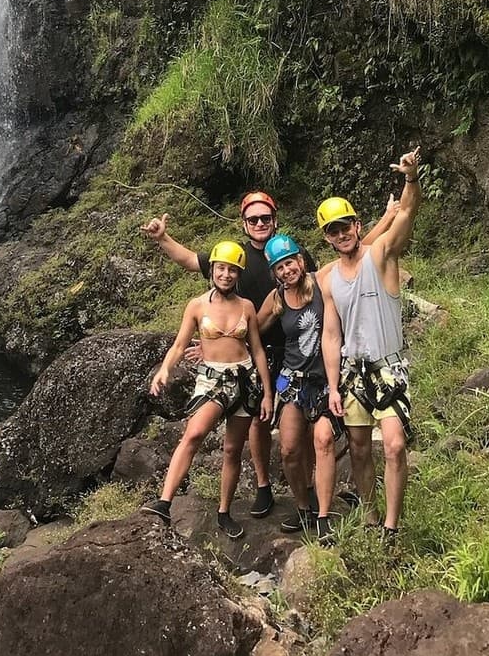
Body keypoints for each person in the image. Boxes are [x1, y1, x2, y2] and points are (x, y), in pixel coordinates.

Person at [142, 191, 317, 517]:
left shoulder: (292, 252)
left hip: (295, 349)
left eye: (266, 218)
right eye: (254, 219)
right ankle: (263, 486)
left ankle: (308, 488)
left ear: (275, 219)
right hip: (255, 350)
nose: (261, 223)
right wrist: (162, 238)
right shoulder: (235, 257)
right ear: (244, 223)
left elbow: (319, 285)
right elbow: (189, 259)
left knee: (302, 422)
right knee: (258, 423)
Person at [317, 148, 421, 541]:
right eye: (333, 230)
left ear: (358, 225)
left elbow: (407, 217)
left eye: (346, 225)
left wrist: (411, 179)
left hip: (388, 366)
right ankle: (370, 514)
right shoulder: (328, 278)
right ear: (327, 237)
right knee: (359, 449)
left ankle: (392, 527)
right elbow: (331, 334)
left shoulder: (380, 255)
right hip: (352, 371)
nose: (342, 233)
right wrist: (331, 387)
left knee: (393, 445)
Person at [142, 241, 273, 540]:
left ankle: (224, 512)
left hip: (243, 380)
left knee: (232, 450)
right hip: (213, 379)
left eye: (232, 270)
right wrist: (165, 369)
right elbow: (179, 344)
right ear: (212, 270)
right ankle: (164, 503)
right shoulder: (198, 305)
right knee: (194, 433)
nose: (226, 275)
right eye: (221, 269)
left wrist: (267, 392)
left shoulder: (247, 307)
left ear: (239, 274)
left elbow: (258, 351)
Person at [257, 233, 344, 541]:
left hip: (324, 380)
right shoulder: (277, 298)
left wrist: (390, 218)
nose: (286, 271)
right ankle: (304, 507)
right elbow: (250, 328)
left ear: (301, 261)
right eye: (279, 267)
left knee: (323, 441)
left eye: (289, 263)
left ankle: (323, 516)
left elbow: (358, 250)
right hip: (292, 381)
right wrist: (214, 344)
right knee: (291, 449)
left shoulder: (321, 282)